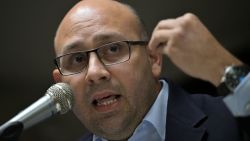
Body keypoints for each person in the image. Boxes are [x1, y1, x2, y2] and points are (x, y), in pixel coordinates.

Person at [52, 0, 248, 140]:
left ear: (153, 59)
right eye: (77, 59)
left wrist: (221, 67)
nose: (94, 72)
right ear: (61, 84)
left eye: (113, 48)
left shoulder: (229, 120)